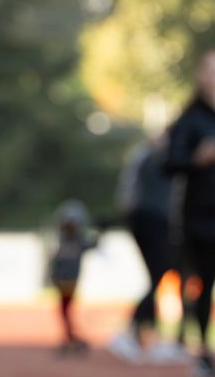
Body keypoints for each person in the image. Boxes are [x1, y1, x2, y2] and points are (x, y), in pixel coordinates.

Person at [107, 127, 185, 364]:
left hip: (147, 220)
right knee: (159, 273)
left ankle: (143, 334)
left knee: (157, 276)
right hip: (152, 220)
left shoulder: (144, 157)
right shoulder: (157, 159)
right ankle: (130, 331)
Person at [164, 48, 215, 377]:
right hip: (202, 217)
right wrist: (198, 159)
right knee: (204, 284)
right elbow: (168, 162)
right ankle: (204, 354)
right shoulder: (190, 119)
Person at [49, 199, 98, 356]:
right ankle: (70, 336)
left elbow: (92, 244)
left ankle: (70, 336)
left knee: (66, 310)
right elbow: (55, 263)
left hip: (70, 281)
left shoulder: (76, 241)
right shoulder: (65, 242)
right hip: (63, 281)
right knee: (64, 310)